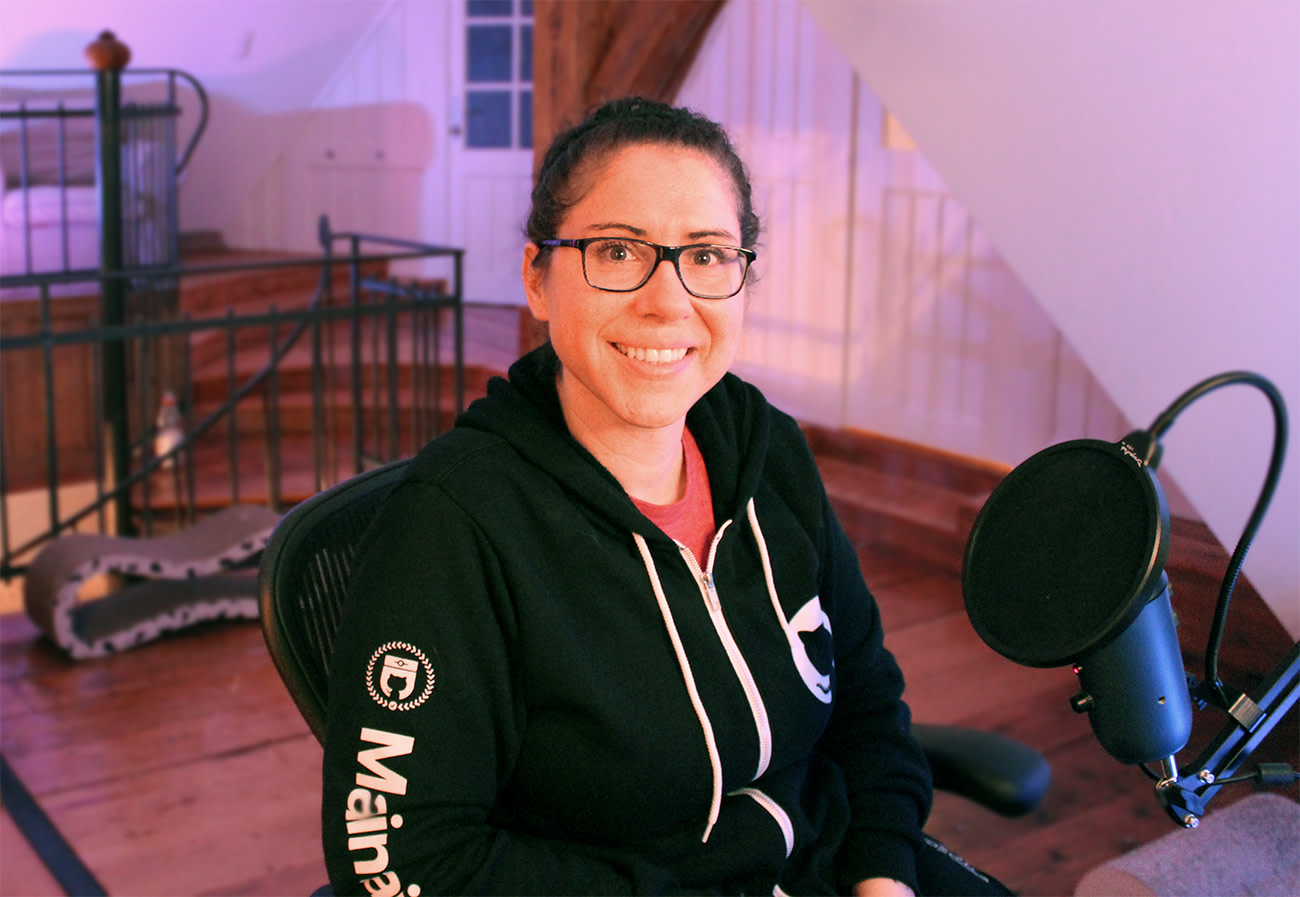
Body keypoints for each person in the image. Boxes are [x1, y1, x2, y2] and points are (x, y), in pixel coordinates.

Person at [321, 97, 1009, 897]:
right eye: (617, 250)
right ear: (536, 279)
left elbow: (865, 696)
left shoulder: (769, 451)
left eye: (709, 255)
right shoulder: (452, 527)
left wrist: (885, 872)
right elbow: (407, 863)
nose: (669, 301)